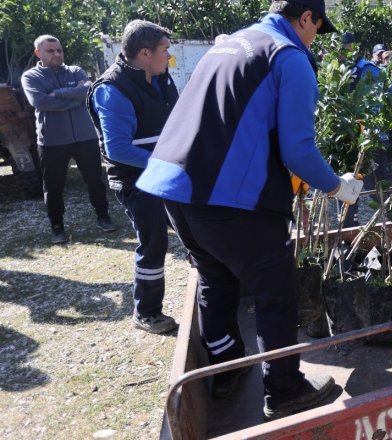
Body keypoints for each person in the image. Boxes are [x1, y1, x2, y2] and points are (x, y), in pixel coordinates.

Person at [135, 0, 361, 420]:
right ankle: (285, 391)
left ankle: (226, 369)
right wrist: (337, 187)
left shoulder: (231, 43)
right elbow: (298, 149)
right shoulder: (288, 56)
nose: (314, 39)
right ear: (305, 17)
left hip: (173, 188)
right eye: (315, 28)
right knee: (276, 291)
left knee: (215, 279)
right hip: (228, 198)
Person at [86, 20, 178, 334]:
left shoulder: (160, 77)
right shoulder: (112, 89)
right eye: (165, 49)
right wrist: (166, 163)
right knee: (153, 242)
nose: (169, 55)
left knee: (194, 225)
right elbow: (118, 149)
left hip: (167, 173)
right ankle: (147, 312)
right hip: (137, 180)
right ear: (144, 52)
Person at [21, 35, 117, 244]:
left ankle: (103, 216)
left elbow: (87, 92)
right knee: (54, 187)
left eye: (59, 50)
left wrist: (59, 93)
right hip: (52, 141)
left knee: (95, 181)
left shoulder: (75, 71)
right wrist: (73, 97)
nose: (57, 54)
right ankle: (57, 227)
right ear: (38, 53)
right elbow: (40, 101)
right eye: (50, 51)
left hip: (85, 137)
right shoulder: (31, 77)